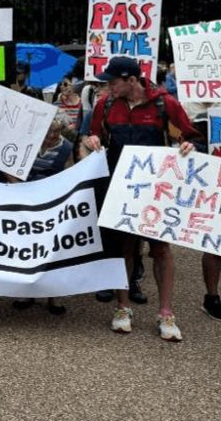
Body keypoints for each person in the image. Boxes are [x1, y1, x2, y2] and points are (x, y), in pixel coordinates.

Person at [83, 56, 204, 341]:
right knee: (123, 247)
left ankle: (166, 312)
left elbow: (192, 136)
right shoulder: (106, 105)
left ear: (132, 80)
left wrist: (189, 144)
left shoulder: (165, 103)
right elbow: (93, 134)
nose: (107, 87)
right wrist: (92, 141)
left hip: (156, 190)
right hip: (121, 188)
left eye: (113, 82)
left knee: (160, 249)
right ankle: (122, 308)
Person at [9, 117, 74, 315]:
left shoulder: (66, 148)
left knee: (51, 249)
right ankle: (27, 292)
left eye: (56, 132)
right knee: (27, 247)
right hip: (26, 200)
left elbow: (70, 174)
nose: (52, 136)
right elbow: (10, 167)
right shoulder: (27, 143)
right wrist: (18, 188)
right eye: (48, 133)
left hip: (51, 202)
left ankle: (53, 296)